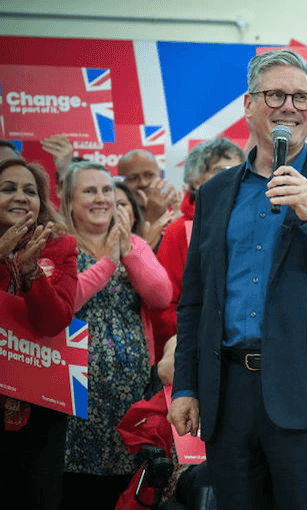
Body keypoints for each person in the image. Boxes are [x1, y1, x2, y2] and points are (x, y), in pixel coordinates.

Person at [167, 48, 307, 510]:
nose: (290, 106)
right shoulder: (215, 192)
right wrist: (186, 385)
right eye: (276, 95)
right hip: (229, 400)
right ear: (248, 105)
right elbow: (194, 302)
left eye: (301, 97)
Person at [59, 161, 172, 509]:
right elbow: (66, 301)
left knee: (124, 488)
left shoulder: (133, 243)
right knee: (77, 488)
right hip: (73, 394)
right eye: (90, 191)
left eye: (107, 190)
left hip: (129, 394)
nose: (102, 198)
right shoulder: (59, 244)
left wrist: (126, 252)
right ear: (69, 200)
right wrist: (107, 262)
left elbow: (161, 295)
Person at [0, 158, 77, 510]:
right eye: (8, 189)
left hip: (41, 401)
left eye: (30, 191)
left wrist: (31, 272)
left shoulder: (59, 246)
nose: (20, 197)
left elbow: (55, 320)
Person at [152, 138, 244, 362]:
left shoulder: (257, 223)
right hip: (198, 352)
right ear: (195, 181)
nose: (233, 176)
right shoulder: (177, 232)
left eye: (239, 169)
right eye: (221, 170)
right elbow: (165, 307)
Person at [116, 149, 181, 248]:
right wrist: (151, 216)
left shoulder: (176, 209)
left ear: (160, 175)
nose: (143, 183)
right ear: (121, 182)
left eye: (149, 175)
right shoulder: (115, 215)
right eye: (133, 178)